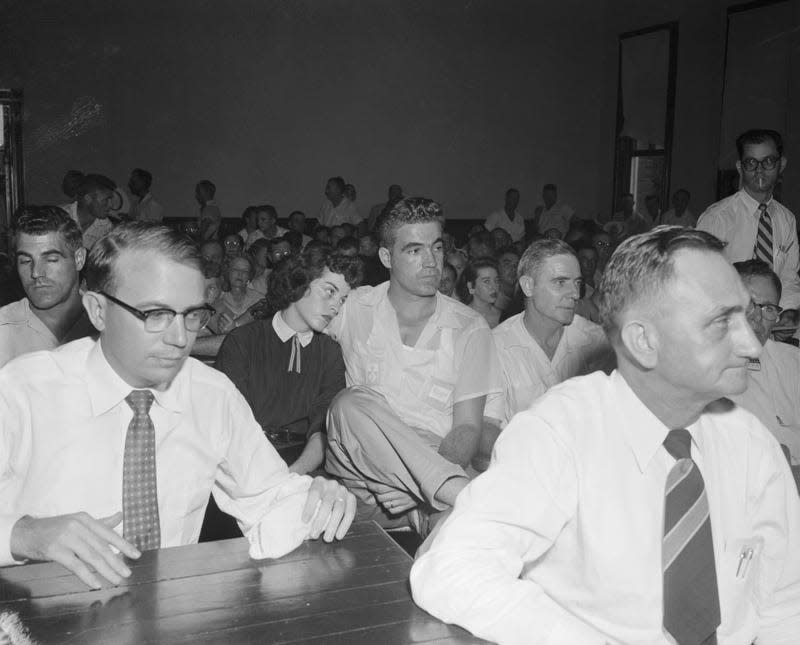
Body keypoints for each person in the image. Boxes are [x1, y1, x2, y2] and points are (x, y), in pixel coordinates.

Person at [412, 226, 800, 643]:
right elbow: (452, 566)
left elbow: (784, 604)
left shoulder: (751, 445)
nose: (752, 344)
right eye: (722, 322)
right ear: (643, 340)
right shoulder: (563, 431)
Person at [0, 222, 356, 590]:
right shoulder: (24, 389)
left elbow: (266, 495)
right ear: (98, 310)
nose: (180, 338)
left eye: (192, 315)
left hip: (166, 615)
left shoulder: (211, 394)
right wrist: (23, 535)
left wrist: (313, 500)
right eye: (155, 314)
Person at [324, 198, 502, 533]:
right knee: (348, 404)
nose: (432, 262)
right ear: (386, 257)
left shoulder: (469, 326)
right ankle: (457, 493)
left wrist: (421, 486)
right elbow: (291, 318)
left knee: (454, 538)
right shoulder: (356, 307)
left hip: (434, 473)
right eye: (414, 250)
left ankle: (439, 504)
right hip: (364, 481)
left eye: (436, 247)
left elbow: (466, 428)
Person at [216, 247, 363, 476]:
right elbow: (232, 425)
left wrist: (290, 477)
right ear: (300, 283)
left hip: (304, 465)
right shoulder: (242, 341)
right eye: (329, 291)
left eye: (342, 299)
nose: (336, 306)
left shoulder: (329, 352)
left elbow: (322, 431)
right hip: (243, 461)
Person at [485, 238, 610, 426]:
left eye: (577, 283)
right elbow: (488, 426)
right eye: (560, 282)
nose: (575, 294)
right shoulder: (497, 346)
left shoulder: (597, 341)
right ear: (528, 286)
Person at [697, 129, 800, 326]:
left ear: (782, 164)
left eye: (768, 161)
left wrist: (787, 313)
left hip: (773, 323)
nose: (759, 170)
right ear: (740, 167)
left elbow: (788, 278)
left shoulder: (787, 220)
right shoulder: (717, 218)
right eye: (750, 162)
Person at [727, 260, 800, 484]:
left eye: (768, 308)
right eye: (747, 305)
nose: (756, 317)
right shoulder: (695, 372)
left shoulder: (792, 361)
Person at [0, 206, 96, 367]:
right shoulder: (4, 328)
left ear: (79, 259)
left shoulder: (109, 323)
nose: (36, 273)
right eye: (25, 261)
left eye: (51, 259)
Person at [208, 255, 263, 334]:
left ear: (249, 276)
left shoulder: (259, 299)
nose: (240, 274)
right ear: (227, 272)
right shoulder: (216, 298)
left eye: (245, 271)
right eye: (235, 269)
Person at [75, 174, 118, 250]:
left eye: (111, 200)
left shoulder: (107, 228)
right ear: (88, 198)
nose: (111, 205)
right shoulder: (59, 218)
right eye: (105, 200)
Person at [456, 258, 501, 329]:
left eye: (496, 281)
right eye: (486, 281)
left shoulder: (504, 316)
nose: (494, 287)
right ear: (471, 286)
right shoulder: (460, 317)